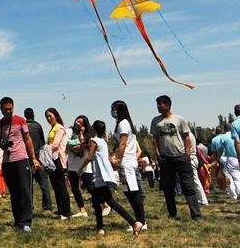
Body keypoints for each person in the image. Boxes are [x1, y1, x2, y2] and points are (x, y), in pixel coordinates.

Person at [75, 121, 143, 237]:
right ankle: (100, 227)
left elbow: (89, 157)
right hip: (103, 175)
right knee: (97, 201)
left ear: (94, 129)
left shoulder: (94, 141)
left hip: (98, 176)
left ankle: (133, 223)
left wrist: (80, 168)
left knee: (110, 202)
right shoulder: (103, 141)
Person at [0, 97, 39, 232]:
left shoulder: (20, 120)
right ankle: (18, 220)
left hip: (21, 159)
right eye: (5, 109)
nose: (8, 111)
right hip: (7, 162)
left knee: (25, 191)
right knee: (14, 192)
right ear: (0, 108)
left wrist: (33, 158)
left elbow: (28, 140)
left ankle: (26, 221)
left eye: (10, 109)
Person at [150, 95, 202, 220]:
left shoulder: (179, 119)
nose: (158, 106)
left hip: (181, 157)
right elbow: (155, 139)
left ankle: (196, 214)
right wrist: (158, 154)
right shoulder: (155, 121)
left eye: (160, 104)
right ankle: (172, 213)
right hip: (165, 159)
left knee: (188, 186)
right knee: (168, 188)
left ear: (167, 105)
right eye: (157, 104)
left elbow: (186, 137)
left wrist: (187, 155)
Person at [110, 101, 145, 229]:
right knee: (129, 192)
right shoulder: (122, 123)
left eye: (113, 109)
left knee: (133, 192)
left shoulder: (123, 123)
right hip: (127, 162)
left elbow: (123, 144)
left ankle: (141, 221)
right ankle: (139, 220)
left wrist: (116, 160)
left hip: (127, 162)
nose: (112, 111)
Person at [44, 107, 73, 219]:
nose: (48, 118)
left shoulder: (59, 128)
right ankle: (61, 211)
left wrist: (44, 150)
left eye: (50, 116)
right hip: (51, 159)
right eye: (47, 117)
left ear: (56, 116)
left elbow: (55, 145)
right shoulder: (52, 129)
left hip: (58, 160)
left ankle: (67, 212)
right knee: (55, 186)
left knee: (61, 187)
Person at [24, 107, 53, 211]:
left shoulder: (23, 126)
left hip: (27, 158)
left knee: (28, 185)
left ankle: (29, 205)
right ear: (33, 115)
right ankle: (47, 205)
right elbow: (42, 142)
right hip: (39, 158)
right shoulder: (38, 126)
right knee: (44, 184)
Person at [211, 124, 240, 203]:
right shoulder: (238, 135)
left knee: (234, 179)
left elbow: (219, 150)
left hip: (229, 158)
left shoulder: (221, 138)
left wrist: (216, 160)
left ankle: (239, 196)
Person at [65, 115, 90, 218]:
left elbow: (84, 144)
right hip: (72, 165)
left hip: (85, 166)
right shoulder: (69, 131)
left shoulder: (88, 134)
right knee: (75, 188)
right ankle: (82, 210)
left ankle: (105, 205)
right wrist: (78, 144)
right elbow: (68, 144)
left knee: (90, 187)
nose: (77, 123)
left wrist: (81, 134)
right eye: (77, 121)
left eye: (81, 123)